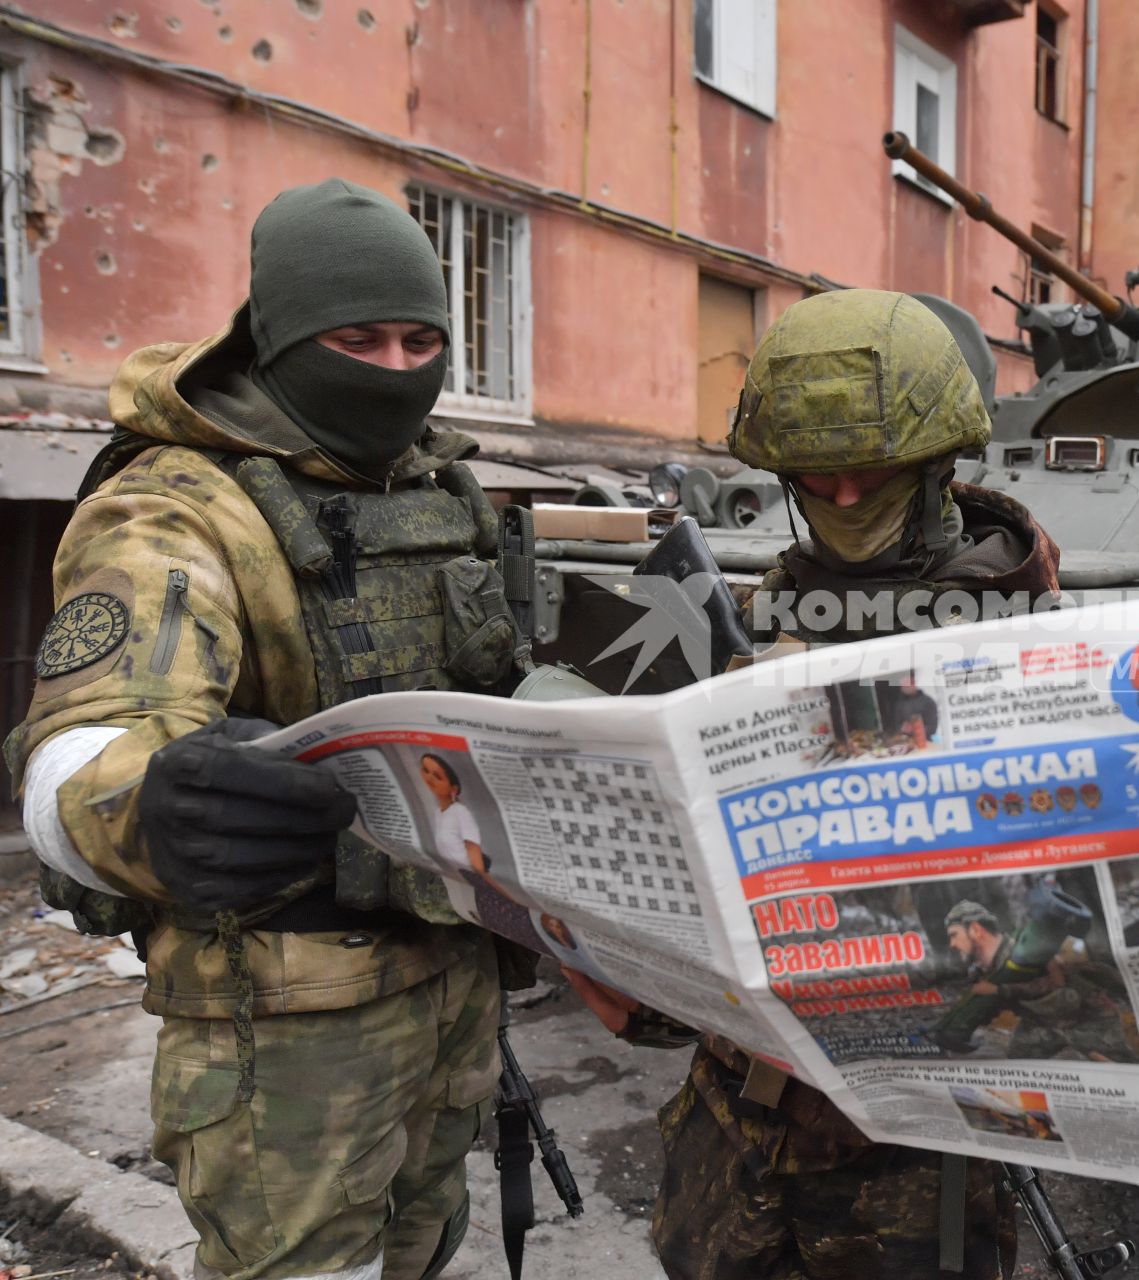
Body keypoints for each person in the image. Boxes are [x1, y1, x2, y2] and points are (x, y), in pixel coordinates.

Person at [5, 179, 528, 1280]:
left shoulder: (440, 489)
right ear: (282, 337)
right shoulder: (182, 502)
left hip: (451, 981)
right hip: (288, 1024)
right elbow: (85, 740)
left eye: (420, 338)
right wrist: (147, 804)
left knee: (427, 1249)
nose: (394, 367)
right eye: (358, 337)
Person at [569, 289, 1062, 1279]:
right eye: (815, 477)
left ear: (937, 466)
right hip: (734, 1133)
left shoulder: (1028, 639)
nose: (841, 499)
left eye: (870, 473)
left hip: (912, 1157)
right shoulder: (746, 621)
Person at [942, 899, 1136, 1063]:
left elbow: (1055, 986)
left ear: (976, 930)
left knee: (1122, 1065)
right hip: (1040, 1023)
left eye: (954, 935)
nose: (951, 944)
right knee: (1019, 1062)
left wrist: (1000, 990)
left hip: (1086, 1018)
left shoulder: (1025, 949)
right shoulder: (979, 970)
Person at [419, 752, 550, 957]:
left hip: (482, 886)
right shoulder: (439, 813)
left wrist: (511, 898)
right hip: (467, 886)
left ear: (454, 788)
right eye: (426, 770)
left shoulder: (459, 812)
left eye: (437, 775)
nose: (429, 777)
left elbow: (477, 864)